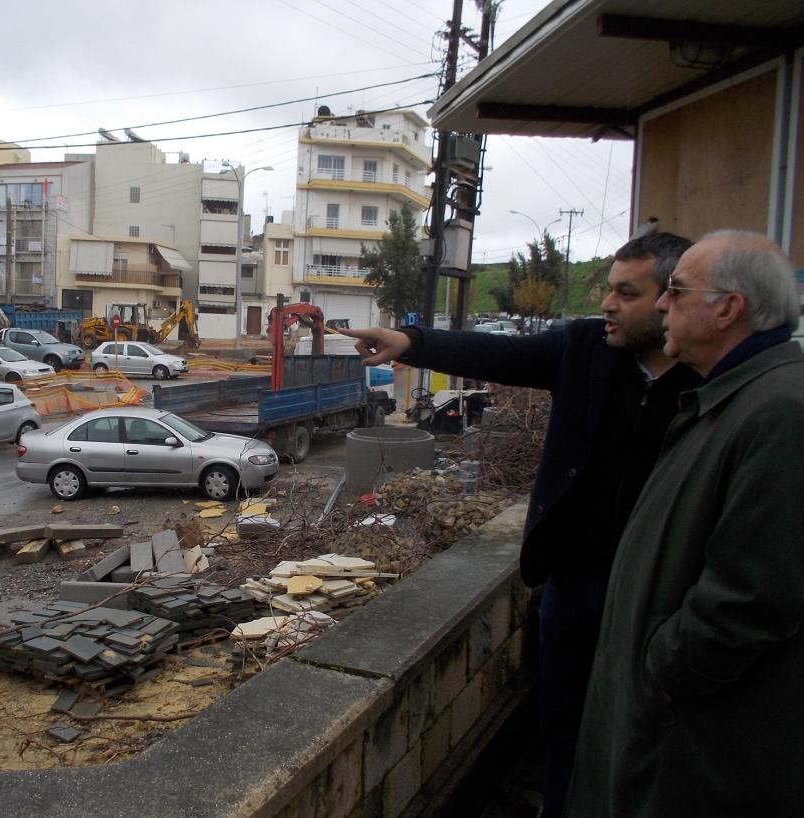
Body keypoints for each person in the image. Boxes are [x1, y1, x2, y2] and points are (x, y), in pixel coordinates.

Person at [343, 232, 700, 818]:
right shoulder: (586, 348)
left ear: (669, 299)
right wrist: (411, 341)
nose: (607, 304)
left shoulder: (711, 378)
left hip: (662, 601)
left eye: (626, 293)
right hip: (575, 587)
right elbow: (498, 354)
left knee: (648, 744)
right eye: (609, 289)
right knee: (564, 733)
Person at [565, 231, 804, 817]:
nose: (663, 305)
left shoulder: (780, 412)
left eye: (675, 291)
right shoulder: (732, 397)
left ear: (728, 308)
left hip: (690, 740)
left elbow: (750, 598)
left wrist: (659, 669)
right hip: (670, 722)